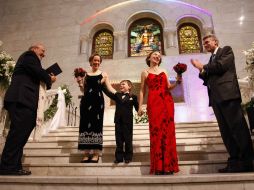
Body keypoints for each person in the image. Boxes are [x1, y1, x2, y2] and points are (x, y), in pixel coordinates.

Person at [191, 34, 254, 173]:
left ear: (215, 42)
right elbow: (208, 77)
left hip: (228, 96)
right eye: (204, 43)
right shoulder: (211, 59)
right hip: (216, 98)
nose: (205, 45)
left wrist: (203, 66)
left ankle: (248, 161)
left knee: (238, 129)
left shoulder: (226, 50)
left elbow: (220, 66)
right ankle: (234, 161)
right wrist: (201, 70)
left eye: (207, 42)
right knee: (226, 132)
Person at [0, 43, 56, 175]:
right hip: (21, 99)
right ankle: (6, 166)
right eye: (42, 51)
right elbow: (38, 72)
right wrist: (49, 78)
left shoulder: (30, 60)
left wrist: (46, 77)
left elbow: (36, 73)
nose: (44, 54)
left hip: (24, 100)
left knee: (21, 134)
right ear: (34, 49)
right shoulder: (29, 56)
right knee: (18, 133)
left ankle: (14, 166)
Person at [138, 51, 180, 175]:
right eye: (155, 54)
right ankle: (159, 166)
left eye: (159, 56)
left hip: (167, 102)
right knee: (156, 132)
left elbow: (168, 87)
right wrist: (140, 106)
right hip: (154, 102)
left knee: (168, 132)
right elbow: (141, 91)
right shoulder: (145, 72)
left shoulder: (164, 71)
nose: (157, 56)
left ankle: (168, 166)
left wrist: (177, 82)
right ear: (149, 57)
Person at [76, 53, 114, 163]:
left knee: (96, 125)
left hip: (98, 102)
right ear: (90, 62)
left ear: (100, 62)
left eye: (98, 61)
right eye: (94, 60)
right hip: (86, 102)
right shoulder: (85, 75)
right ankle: (86, 153)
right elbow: (84, 90)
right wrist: (79, 83)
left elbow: (109, 88)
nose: (96, 62)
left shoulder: (104, 74)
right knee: (85, 125)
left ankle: (96, 153)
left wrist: (119, 95)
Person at [103, 80, 139, 164]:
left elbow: (137, 108)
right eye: (120, 84)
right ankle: (119, 157)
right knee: (119, 140)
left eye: (123, 84)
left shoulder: (133, 97)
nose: (121, 85)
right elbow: (108, 92)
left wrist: (141, 111)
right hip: (118, 121)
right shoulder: (117, 95)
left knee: (128, 139)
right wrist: (102, 85)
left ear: (129, 86)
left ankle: (128, 157)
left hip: (128, 122)